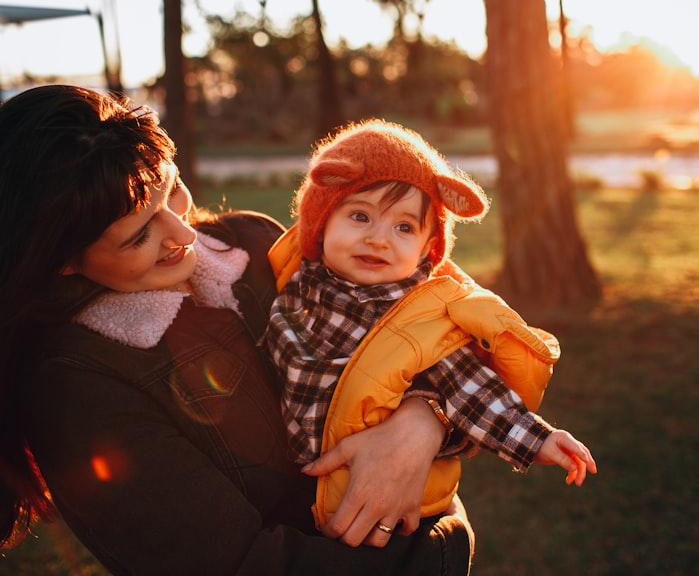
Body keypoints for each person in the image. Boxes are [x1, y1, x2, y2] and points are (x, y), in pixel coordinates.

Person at [0, 85, 474, 575]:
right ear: (59, 260)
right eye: (140, 234)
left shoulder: (254, 243)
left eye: (174, 190)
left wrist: (425, 421)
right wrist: (443, 547)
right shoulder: (75, 387)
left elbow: (438, 328)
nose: (185, 234)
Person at [266, 119, 597, 528]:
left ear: (428, 247)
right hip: (296, 488)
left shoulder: (419, 315)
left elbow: (471, 388)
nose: (379, 239)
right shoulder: (296, 282)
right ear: (322, 221)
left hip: (379, 495)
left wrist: (538, 440)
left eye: (404, 227)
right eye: (359, 216)